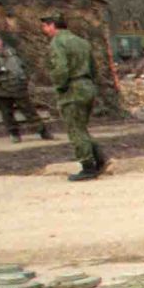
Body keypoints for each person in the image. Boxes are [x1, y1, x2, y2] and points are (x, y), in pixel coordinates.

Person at [41, 13, 107, 181]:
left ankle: (88, 166)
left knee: (75, 129)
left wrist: (60, 85)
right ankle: (99, 158)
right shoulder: (82, 42)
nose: (44, 30)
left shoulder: (58, 42)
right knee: (81, 127)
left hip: (72, 88)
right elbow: (93, 67)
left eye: (45, 26)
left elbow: (60, 68)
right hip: (87, 85)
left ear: (52, 25)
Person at [0, 33, 51, 142]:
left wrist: (25, 78)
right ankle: (14, 134)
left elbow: (23, 67)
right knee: (7, 113)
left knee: (29, 111)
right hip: (0, 90)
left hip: (18, 86)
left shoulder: (12, 52)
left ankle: (42, 131)